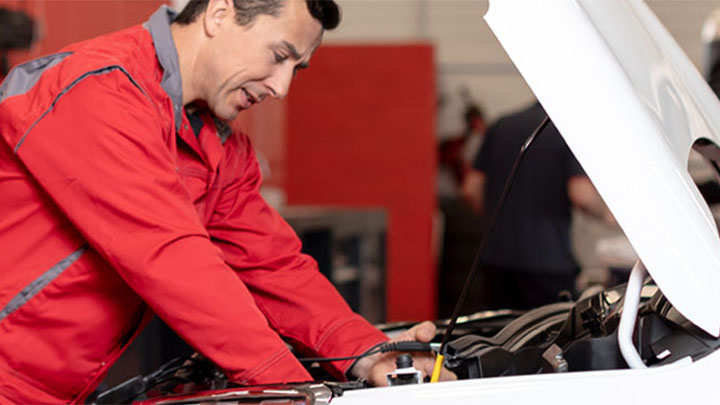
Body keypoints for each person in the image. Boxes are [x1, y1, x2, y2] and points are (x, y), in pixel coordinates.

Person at [0, 0, 453, 402]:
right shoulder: (100, 88)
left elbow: (272, 266)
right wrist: (291, 388)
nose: (281, 87)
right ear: (219, 14)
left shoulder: (217, 146)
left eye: (296, 68)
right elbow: (169, 258)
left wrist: (371, 354)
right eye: (279, 56)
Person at [461, 101, 611, 310]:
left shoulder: (501, 125)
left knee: (502, 336)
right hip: (547, 262)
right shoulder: (566, 128)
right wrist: (609, 216)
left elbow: (471, 189)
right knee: (548, 338)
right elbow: (581, 194)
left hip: (496, 261)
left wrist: (499, 219)